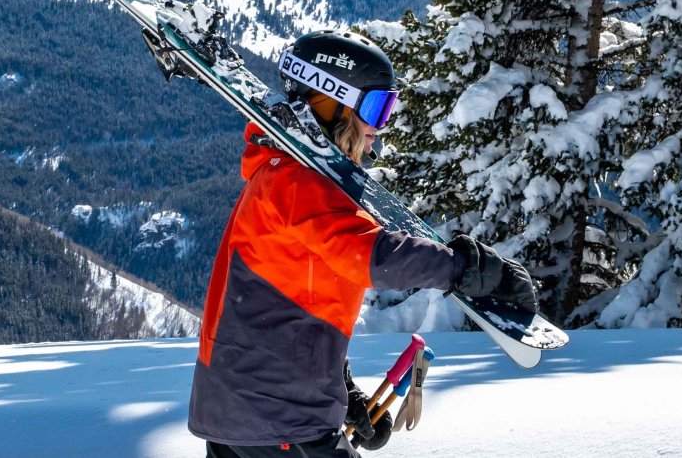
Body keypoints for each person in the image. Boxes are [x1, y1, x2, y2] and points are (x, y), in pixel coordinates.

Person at [190, 30, 540, 458]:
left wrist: (346, 396)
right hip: (278, 422)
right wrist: (466, 269)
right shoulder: (296, 181)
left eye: (387, 110)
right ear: (329, 102)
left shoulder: (280, 175)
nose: (378, 129)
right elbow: (368, 255)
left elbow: (289, 311)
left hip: (250, 415)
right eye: (375, 108)